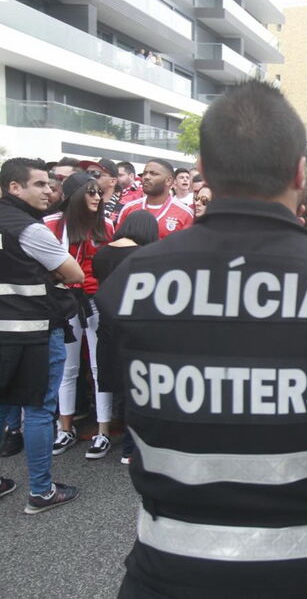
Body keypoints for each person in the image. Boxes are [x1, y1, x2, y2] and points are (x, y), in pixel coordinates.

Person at [96, 80, 307, 598]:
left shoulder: (131, 277)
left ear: (204, 172)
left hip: (170, 567)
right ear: (300, 172)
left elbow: (131, 391)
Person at [0, 157, 84, 513]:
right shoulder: (30, 229)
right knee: (38, 409)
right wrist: (51, 277)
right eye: (40, 184)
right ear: (14, 187)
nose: (49, 190)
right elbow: (76, 274)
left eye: (50, 184)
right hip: (34, 331)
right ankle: (42, 490)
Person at [44, 172, 115, 459]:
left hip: (96, 302)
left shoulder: (107, 224)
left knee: (100, 367)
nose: (97, 197)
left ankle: (104, 431)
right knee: (67, 367)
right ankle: (66, 427)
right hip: (64, 301)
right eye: (90, 192)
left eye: (99, 192)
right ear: (74, 196)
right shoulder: (50, 224)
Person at [92, 211, 159, 465]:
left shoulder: (101, 253)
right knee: (137, 390)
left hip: (107, 326)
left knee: (117, 385)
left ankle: (108, 435)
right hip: (136, 329)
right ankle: (131, 449)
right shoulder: (144, 256)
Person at [115, 159, 194, 239]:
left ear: (169, 180)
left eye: (153, 174)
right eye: (145, 173)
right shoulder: (128, 208)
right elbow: (117, 244)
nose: (146, 177)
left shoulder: (186, 214)